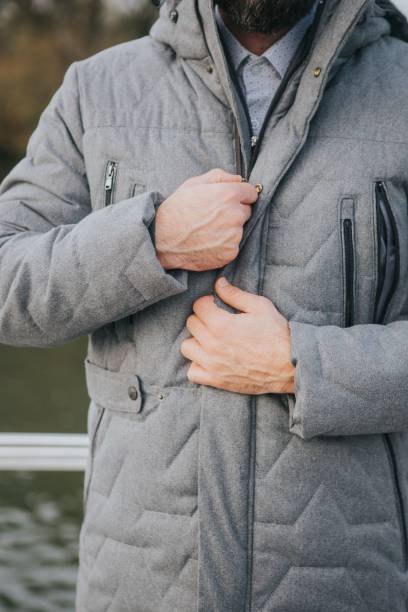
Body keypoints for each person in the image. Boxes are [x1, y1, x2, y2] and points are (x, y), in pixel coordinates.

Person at [0, 0, 407, 609]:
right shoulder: (97, 90)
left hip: (350, 587)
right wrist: (151, 240)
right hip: (136, 590)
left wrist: (306, 365)